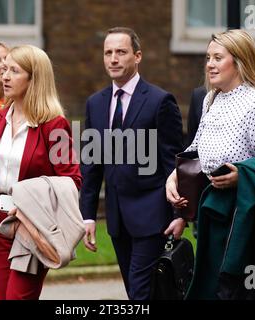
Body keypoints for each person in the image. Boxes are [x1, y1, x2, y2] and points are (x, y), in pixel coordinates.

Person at [166, 29, 255, 299]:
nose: (209, 64)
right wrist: (173, 176)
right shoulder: (211, 99)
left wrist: (242, 175)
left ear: (239, 61)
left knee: (242, 292)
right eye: (208, 57)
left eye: (218, 57)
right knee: (211, 286)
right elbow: (197, 148)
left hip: (247, 219)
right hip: (213, 214)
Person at [0, 45, 82, 300]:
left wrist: (30, 201)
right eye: (4, 69)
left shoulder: (55, 125)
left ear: (34, 79)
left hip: (31, 226)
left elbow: (72, 180)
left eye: (14, 71)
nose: (4, 77)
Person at [79, 27, 184, 300]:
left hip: (153, 216)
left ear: (137, 56)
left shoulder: (160, 101)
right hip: (117, 220)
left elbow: (172, 163)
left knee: (140, 291)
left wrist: (179, 214)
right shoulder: (95, 104)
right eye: (108, 53)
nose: (113, 59)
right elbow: (92, 165)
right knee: (137, 291)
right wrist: (88, 216)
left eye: (121, 52)